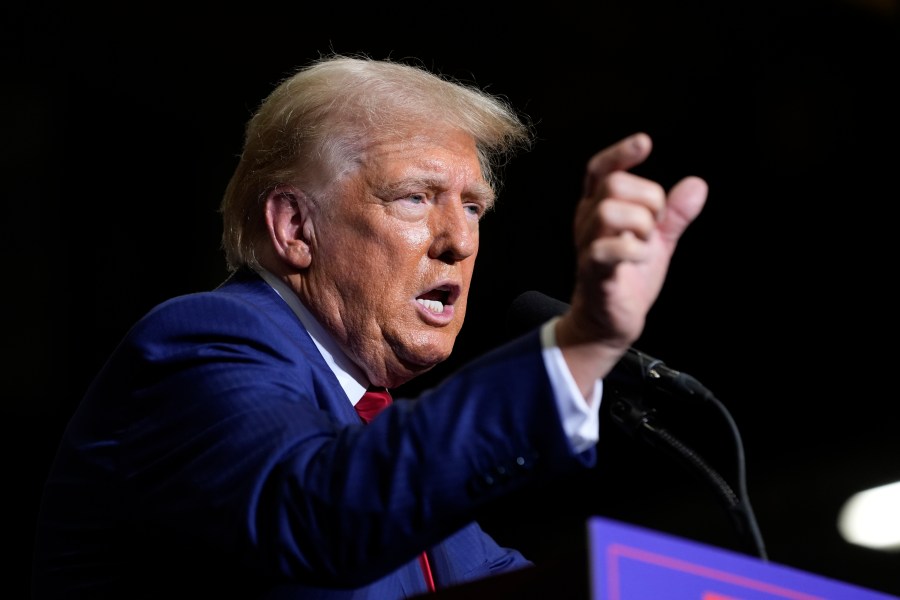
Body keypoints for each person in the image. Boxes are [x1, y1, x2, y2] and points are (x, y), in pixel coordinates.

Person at [32, 53, 707, 598]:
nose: (459, 242)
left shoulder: (378, 440)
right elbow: (320, 514)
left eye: (474, 208)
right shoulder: (202, 344)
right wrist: (578, 348)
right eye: (416, 197)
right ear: (295, 227)